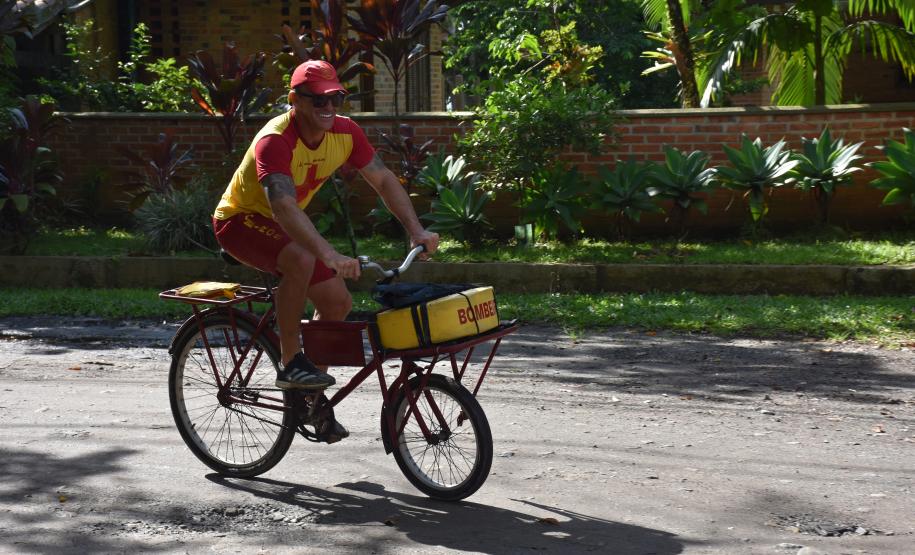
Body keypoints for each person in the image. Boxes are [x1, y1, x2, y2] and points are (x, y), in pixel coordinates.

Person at [212, 60, 439, 440]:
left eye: (335, 97)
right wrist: (329, 255)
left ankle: (307, 399)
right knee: (301, 258)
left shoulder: (345, 133)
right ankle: (290, 363)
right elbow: (282, 205)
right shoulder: (275, 139)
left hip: (284, 225)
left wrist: (415, 229)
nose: (327, 106)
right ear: (294, 101)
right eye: (317, 99)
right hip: (239, 222)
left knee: (337, 303)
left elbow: (382, 179)